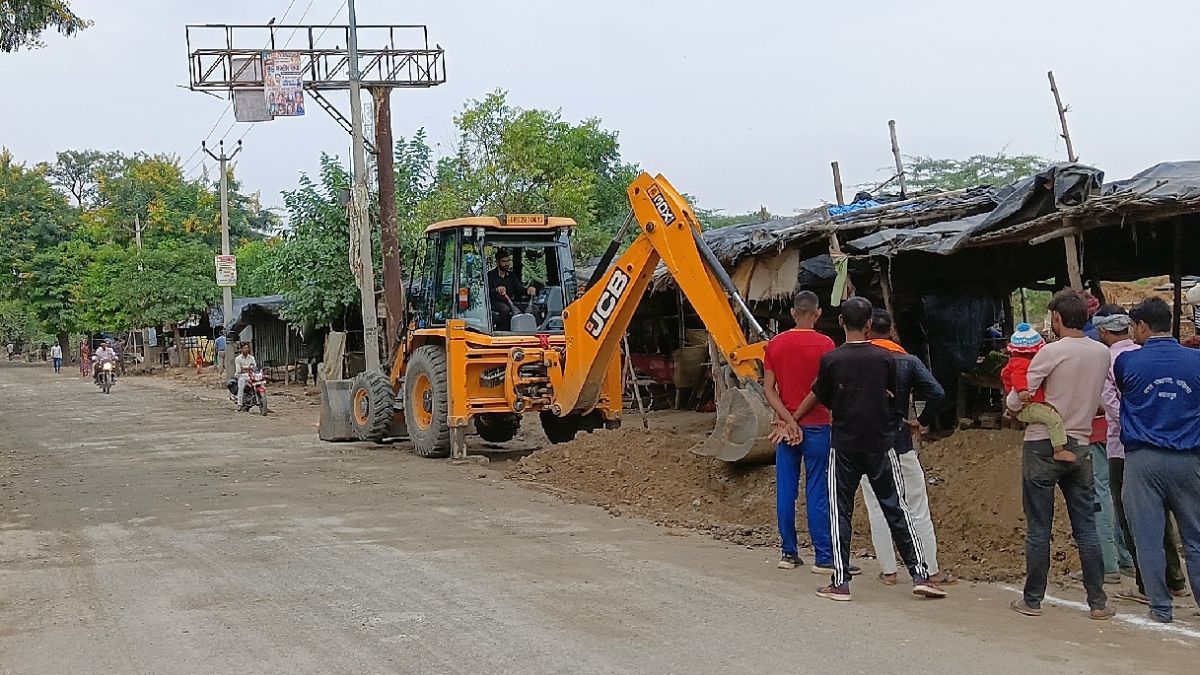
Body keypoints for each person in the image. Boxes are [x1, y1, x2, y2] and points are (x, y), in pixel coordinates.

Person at [787, 297, 945, 602]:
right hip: (880, 444)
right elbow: (887, 394)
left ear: (842, 323)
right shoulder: (885, 360)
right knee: (897, 507)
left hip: (844, 445)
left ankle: (840, 581)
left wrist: (793, 418)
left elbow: (823, 397)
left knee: (840, 511)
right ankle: (920, 574)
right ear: (869, 324)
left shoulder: (832, 360)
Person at [1008, 290, 1115, 620]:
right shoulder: (1101, 353)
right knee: (1086, 527)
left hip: (1041, 444)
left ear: (1056, 319)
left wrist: (1013, 404)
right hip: (1081, 445)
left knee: (1040, 528)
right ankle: (1097, 602)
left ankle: (1032, 599)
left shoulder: (1050, 352)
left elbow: (1016, 401)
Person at [1095, 304, 1189, 606]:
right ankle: (1176, 580)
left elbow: (1113, 406)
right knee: (1173, 522)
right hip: (1179, 448)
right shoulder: (1170, 358)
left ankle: (1149, 587)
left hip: (1127, 450)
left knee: (1136, 521)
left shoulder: (1113, 361)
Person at [1114, 297, 1200, 624]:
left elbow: (1125, 392)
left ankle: (1160, 608)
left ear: (1143, 327)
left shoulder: (1127, 363)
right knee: (1195, 537)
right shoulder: (1196, 360)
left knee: (1147, 537)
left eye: (1133, 327)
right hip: (1188, 459)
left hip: (1142, 460)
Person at [860, 310, 954, 586]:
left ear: (867, 331)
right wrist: (920, 422)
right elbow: (936, 393)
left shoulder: (856, 361)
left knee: (877, 507)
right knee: (917, 507)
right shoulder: (907, 361)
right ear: (891, 330)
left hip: (869, 445)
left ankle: (889, 571)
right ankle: (931, 569)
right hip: (900, 442)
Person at [762, 290, 849, 575]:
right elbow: (824, 389)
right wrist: (798, 419)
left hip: (785, 431)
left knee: (786, 491)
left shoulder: (774, 345)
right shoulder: (826, 344)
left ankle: (788, 553)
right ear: (818, 313)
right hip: (818, 426)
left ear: (792, 313)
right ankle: (823, 557)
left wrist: (787, 421)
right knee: (817, 491)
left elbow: (768, 391)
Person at [1001, 324, 1075, 464]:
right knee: (1054, 419)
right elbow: (1018, 377)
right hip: (1028, 406)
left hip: (1028, 404)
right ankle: (1059, 450)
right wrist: (1022, 390)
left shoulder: (1017, 362)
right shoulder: (1022, 363)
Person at [487, 250, 536, 331]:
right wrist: (496, 290)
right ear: (497, 262)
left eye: (508, 261)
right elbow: (486, 293)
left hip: (511, 302)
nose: (507, 264)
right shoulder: (490, 275)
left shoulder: (511, 275)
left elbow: (519, 289)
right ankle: (504, 331)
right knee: (505, 309)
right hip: (494, 303)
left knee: (534, 308)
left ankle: (532, 331)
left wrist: (528, 290)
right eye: (504, 261)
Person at [234, 342, 258, 409]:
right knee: (241, 387)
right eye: (245, 348)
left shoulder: (252, 358)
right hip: (241, 376)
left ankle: (260, 400)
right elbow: (239, 370)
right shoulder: (238, 359)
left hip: (250, 375)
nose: (246, 349)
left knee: (259, 384)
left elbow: (254, 368)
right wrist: (248, 368)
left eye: (247, 348)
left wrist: (245, 368)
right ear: (241, 349)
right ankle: (240, 404)